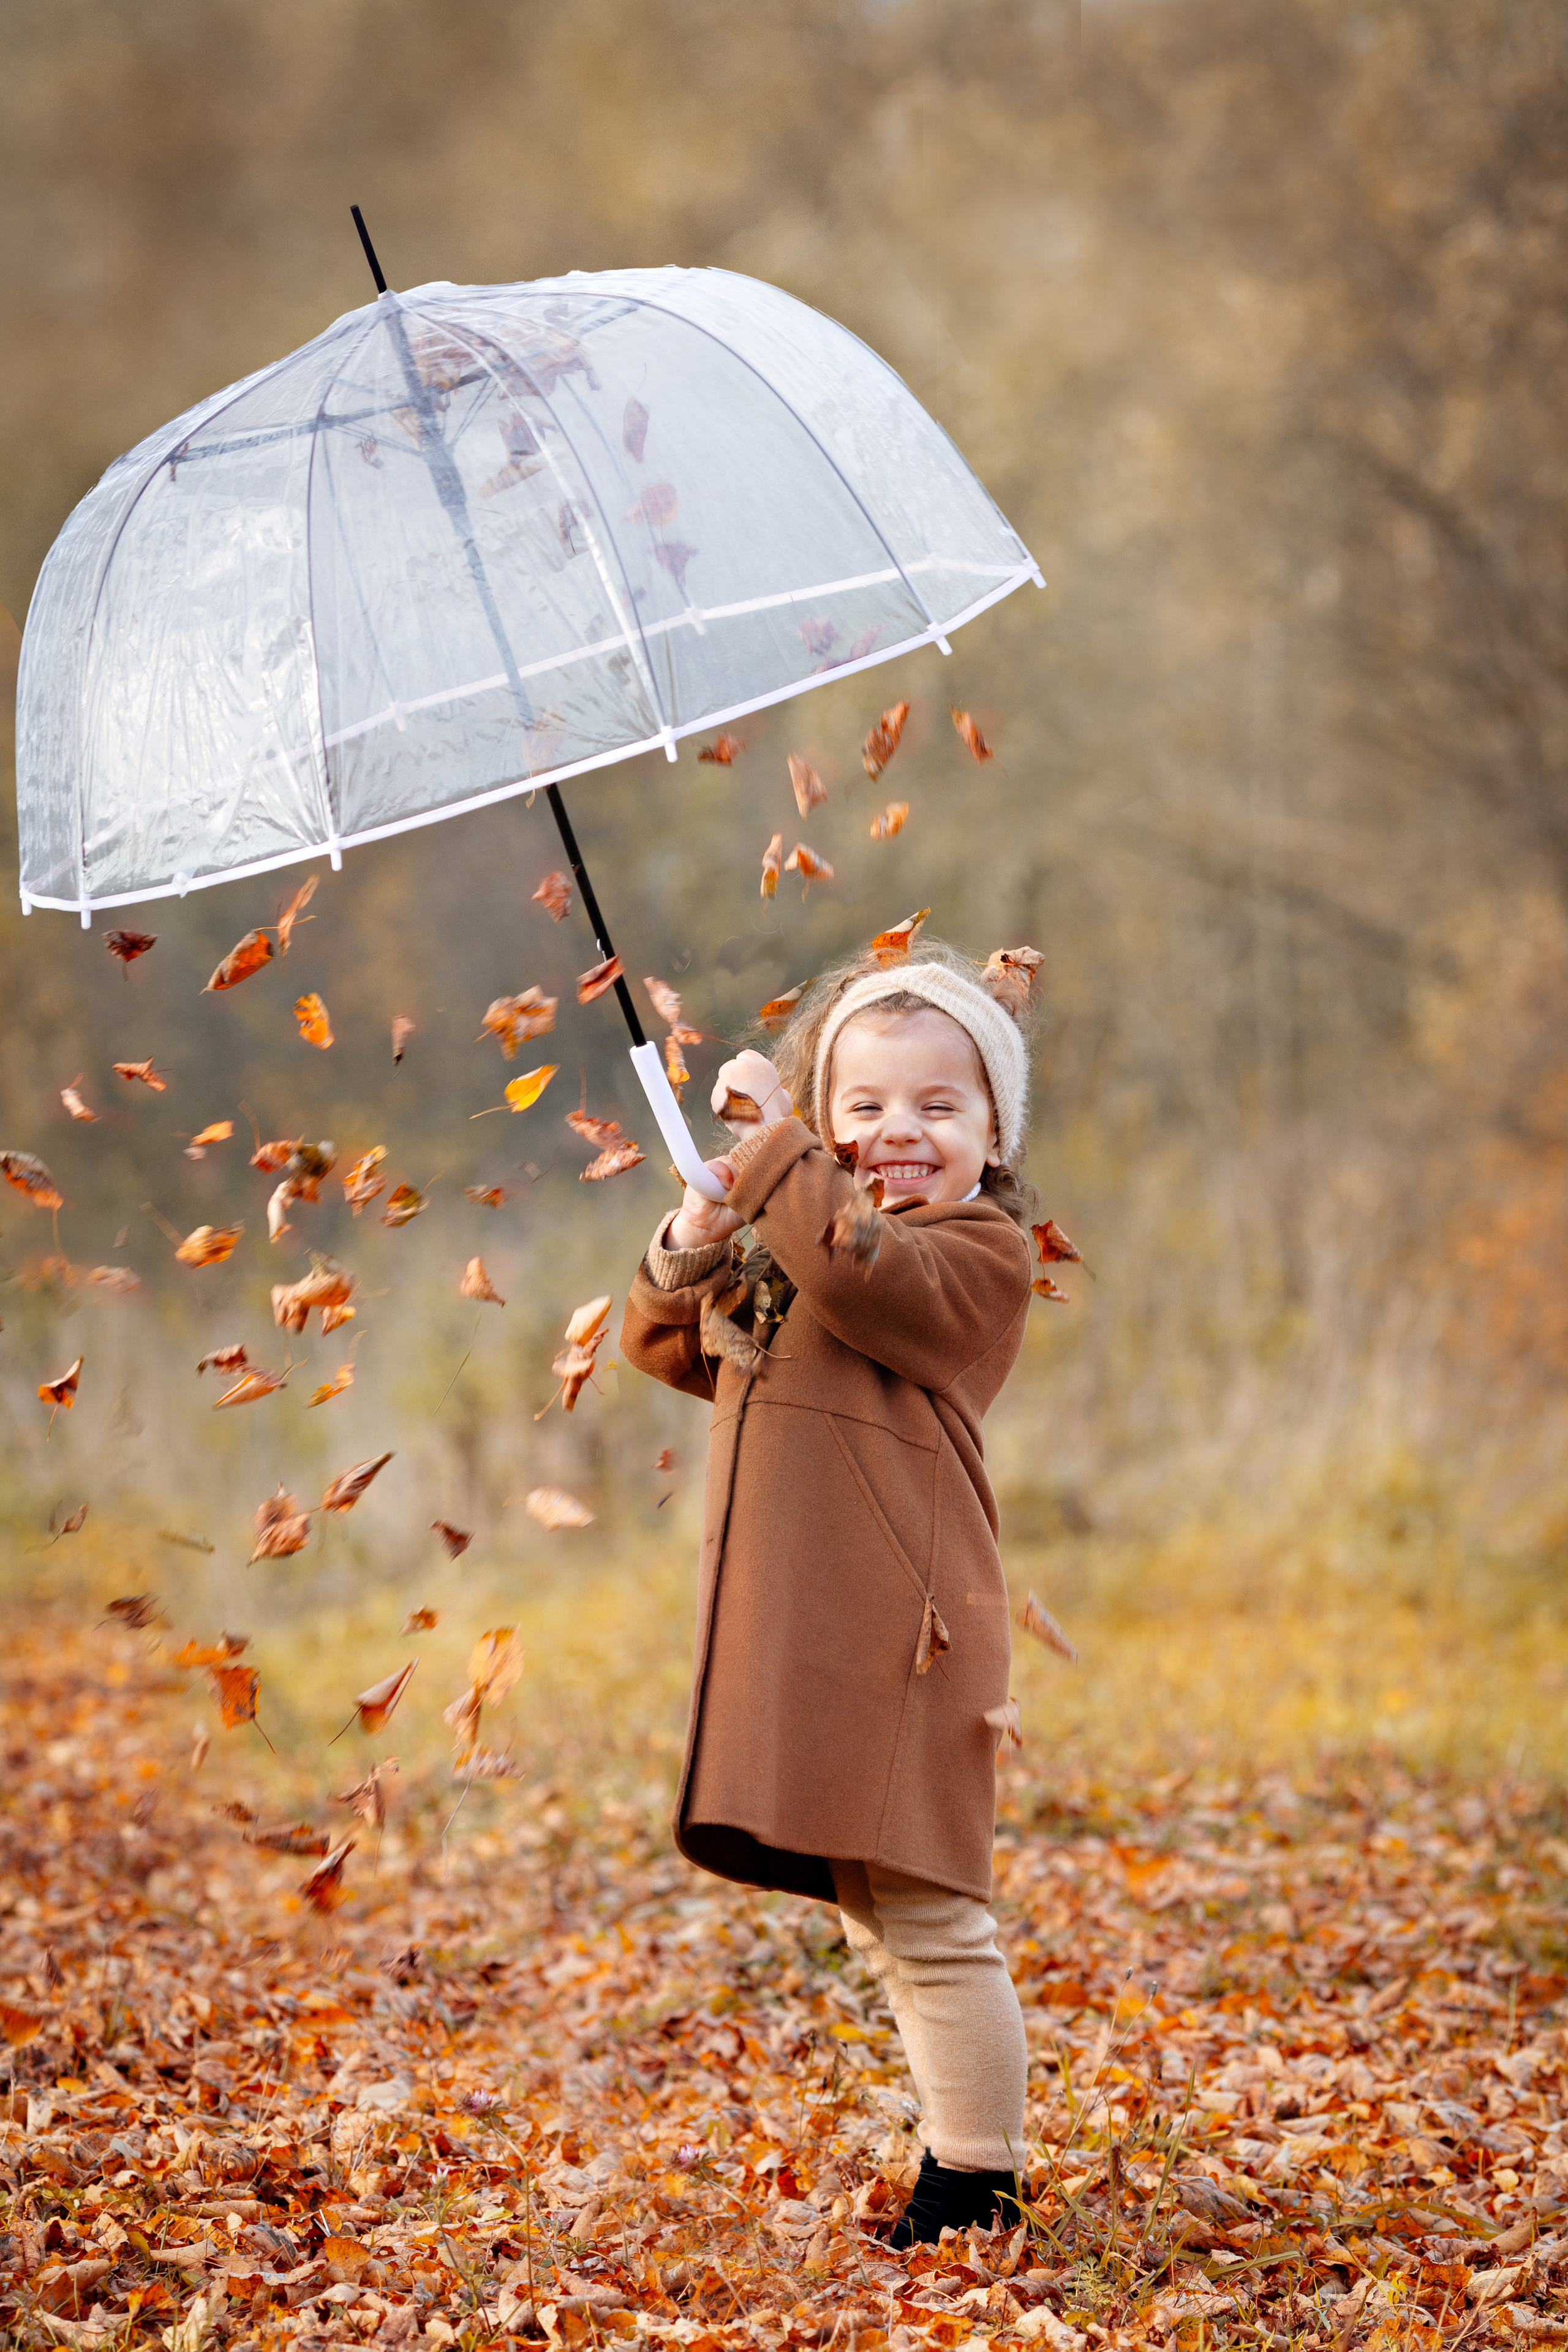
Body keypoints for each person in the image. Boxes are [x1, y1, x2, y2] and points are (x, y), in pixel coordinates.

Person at [620, 938, 1042, 2245]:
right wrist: (695, 1233)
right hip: (812, 1626)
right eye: (862, 1106)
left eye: (936, 1107)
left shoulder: (974, 1257)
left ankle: (977, 2182)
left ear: (991, 1130)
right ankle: (955, 2156)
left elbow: (869, 1278)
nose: (896, 1132)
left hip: (908, 1631)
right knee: (881, 1913)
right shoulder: (799, 1240)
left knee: (930, 1911)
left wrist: (783, 1148)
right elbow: (669, 1346)